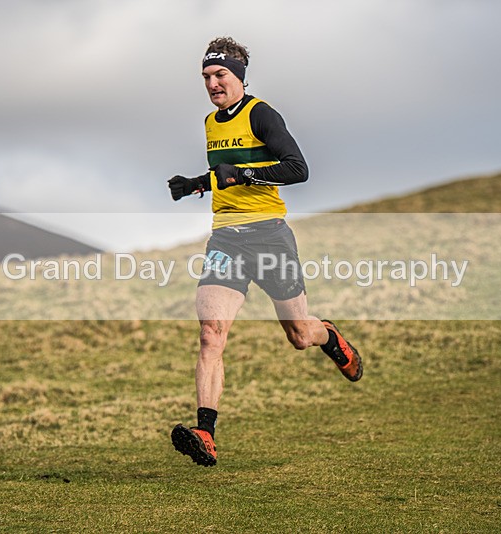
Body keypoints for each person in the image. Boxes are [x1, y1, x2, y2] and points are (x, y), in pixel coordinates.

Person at [167, 37, 362, 467]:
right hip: (226, 239)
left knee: (299, 335)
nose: (212, 84)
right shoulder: (211, 123)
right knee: (210, 333)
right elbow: (227, 173)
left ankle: (329, 336)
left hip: (270, 236)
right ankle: (205, 433)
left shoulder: (261, 114)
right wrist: (197, 184)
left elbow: (297, 168)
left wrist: (244, 175)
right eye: (206, 77)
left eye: (220, 75)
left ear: (239, 76)